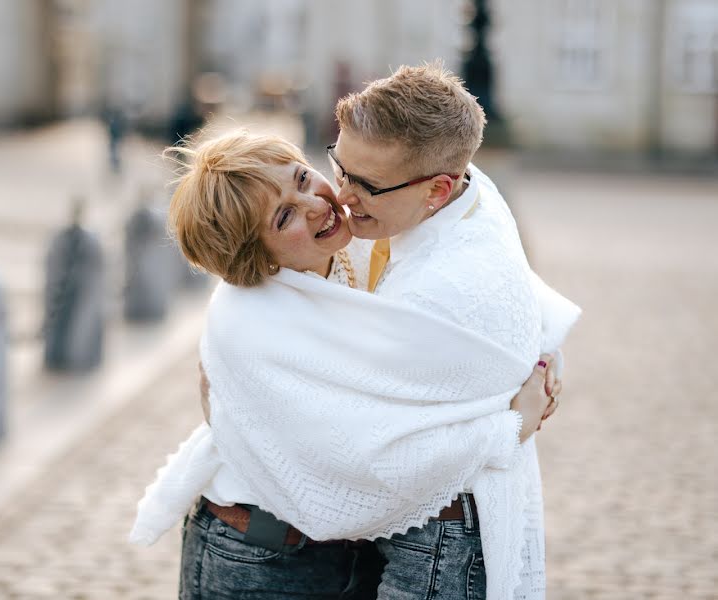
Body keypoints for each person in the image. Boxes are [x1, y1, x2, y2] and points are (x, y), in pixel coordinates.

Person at [131, 120, 576, 598]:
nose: (316, 204)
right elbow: (359, 455)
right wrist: (505, 429)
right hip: (256, 558)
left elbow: (481, 294)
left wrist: (532, 356)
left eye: (302, 178)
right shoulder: (248, 322)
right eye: (284, 218)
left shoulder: (358, 243)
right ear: (253, 259)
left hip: (345, 555)